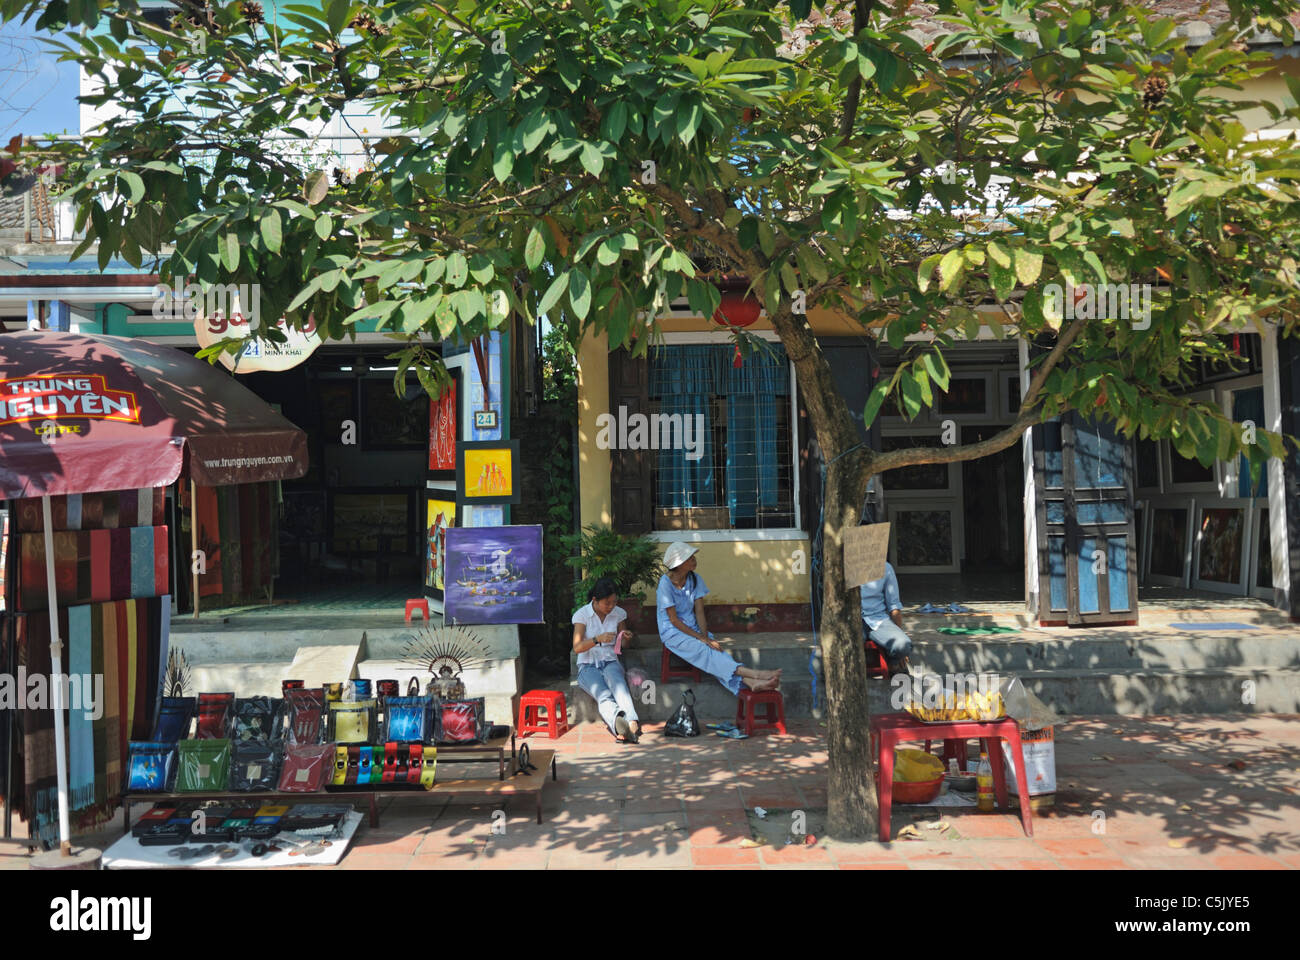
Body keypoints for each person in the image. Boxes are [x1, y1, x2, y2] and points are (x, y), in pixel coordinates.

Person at [656, 542, 781, 694]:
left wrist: (705, 636)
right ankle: (756, 674)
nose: (694, 560)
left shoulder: (695, 579)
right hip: (673, 632)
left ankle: (750, 682)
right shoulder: (665, 584)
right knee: (705, 650)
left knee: (715, 651)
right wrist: (703, 640)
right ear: (679, 563)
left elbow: (700, 612)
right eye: (690, 558)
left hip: (692, 628)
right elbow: (674, 620)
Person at [572, 577, 641, 743]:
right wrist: (597, 639)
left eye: (614, 602)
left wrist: (626, 637)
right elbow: (577, 647)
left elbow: (623, 644)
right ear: (595, 600)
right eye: (607, 603)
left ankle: (631, 722)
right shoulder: (582, 615)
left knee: (620, 688)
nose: (611, 606)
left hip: (610, 660)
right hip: (587, 665)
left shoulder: (618, 613)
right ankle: (618, 723)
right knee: (603, 695)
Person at [859, 561, 912, 676]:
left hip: (878, 619)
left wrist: (898, 636)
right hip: (853, 620)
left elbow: (894, 606)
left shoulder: (885, 567)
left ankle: (893, 664)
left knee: (902, 645)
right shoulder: (844, 566)